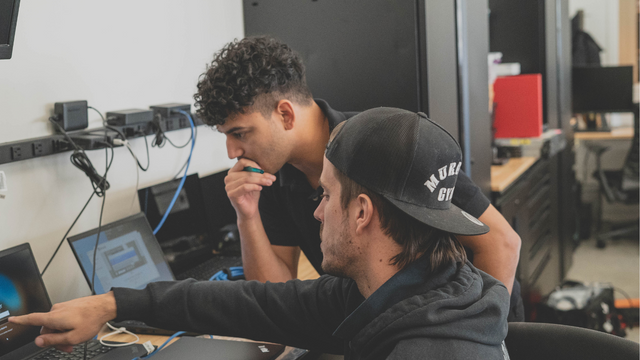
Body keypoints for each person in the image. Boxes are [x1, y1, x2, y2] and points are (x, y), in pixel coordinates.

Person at [10, 108, 510, 359]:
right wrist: (112, 305)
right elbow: (253, 304)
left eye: (326, 196)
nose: (317, 214)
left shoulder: (439, 349)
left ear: (361, 213)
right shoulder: (397, 288)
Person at [195, 36, 523, 320]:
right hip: (385, 328)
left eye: (239, 133)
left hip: (472, 321)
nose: (231, 151)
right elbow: (276, 306)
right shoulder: (271, 174)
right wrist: (246, 216)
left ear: (285, 114)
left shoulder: (383, 142)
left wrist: (474, 331)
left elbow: (502, 244)